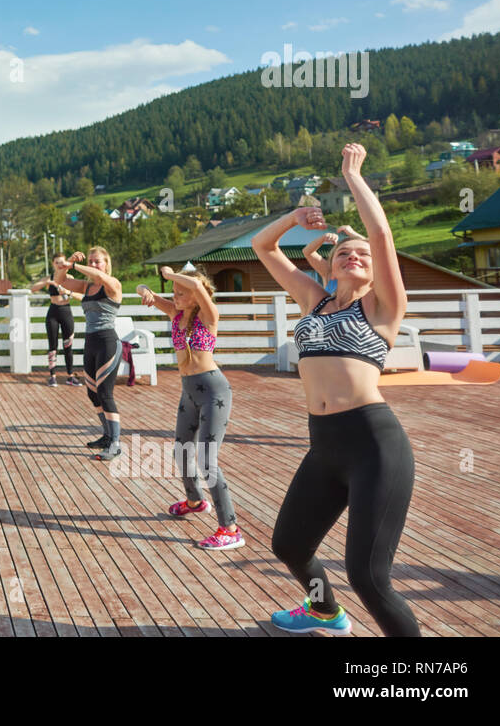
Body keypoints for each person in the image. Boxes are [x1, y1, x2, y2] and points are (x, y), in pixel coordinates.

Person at [250, 143, 419, 636]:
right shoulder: (314, 300)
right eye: (344, 251)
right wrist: (293, 216)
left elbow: (382, 235)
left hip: (373, 443)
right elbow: (264, 247)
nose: (354, 255)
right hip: (323, 445)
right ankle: (324, 610)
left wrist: (352, 176)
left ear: (373, 268)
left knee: (369, 577)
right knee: (290, 546)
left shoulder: (383, 308)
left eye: (361, 253)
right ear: (332, 262)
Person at [138, 267, 243, 550]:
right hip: (188, 392)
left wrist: (173, 275)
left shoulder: (209, 316)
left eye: (181, 293)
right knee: (181, 450)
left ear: (197, 296)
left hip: (213, 391)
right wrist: (146, 293)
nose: (176, 296)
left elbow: (195, 283)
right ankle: (195, 501)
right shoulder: (176, 314)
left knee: (207, 460)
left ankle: (230, 528)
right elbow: (140, 288)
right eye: (174, 293)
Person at [67, 247, 125, 460]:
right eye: (90, 261)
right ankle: (107, 435)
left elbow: (100, 276)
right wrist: (67, 262)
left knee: (105, 393)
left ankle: (115, 443)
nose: (93, 265)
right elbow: (59, 280)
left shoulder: (113, 284)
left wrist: (73, 266)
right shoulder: (86, 286)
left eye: (97, 261)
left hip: (108, 342)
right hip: (91, 342)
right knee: (92, 393)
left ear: (106, 264)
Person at [29, 252, 84, 386]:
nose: (60, 265)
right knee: (52, 346)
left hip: (66, 311)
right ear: (53, 264)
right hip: (53, 312)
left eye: (62, 262)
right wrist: (47, 282)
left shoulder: (69, 277)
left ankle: (70, 376)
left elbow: (81, 293)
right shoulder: (49, 278)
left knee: (68, 346)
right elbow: (33, 288)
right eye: (57, 262)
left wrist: (68, 292)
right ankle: (52, 376)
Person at [302, 224, 361, 293]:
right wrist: (323, 238)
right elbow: (307, 252)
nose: (351, 256)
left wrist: (353, 234)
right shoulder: (330, 273)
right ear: (333, 258)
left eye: (360, 253)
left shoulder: (369, 276)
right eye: (343, 254)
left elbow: (374, 250)